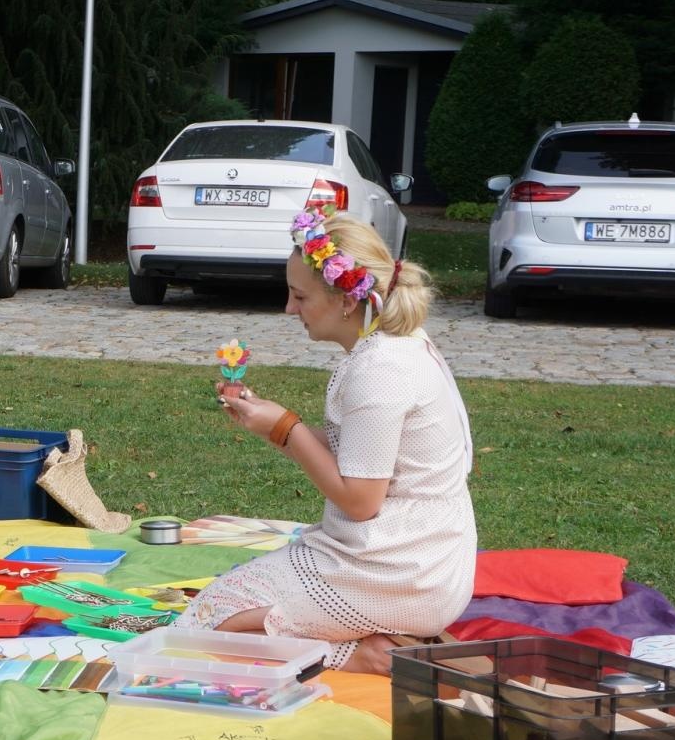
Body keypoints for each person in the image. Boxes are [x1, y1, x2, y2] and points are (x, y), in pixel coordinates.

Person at [174, 210, 476, 675]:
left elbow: (360, 501)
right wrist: (269, 423)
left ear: (346, 301)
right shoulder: (398, 346)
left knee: (205, 622)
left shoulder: (381, 369)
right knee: (225, 604)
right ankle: (364, 633)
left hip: (398, 572)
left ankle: (360, 656)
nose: (289, 309)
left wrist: (287, 428)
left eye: (299, 296)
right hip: (418, 563)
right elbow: (363, 454)